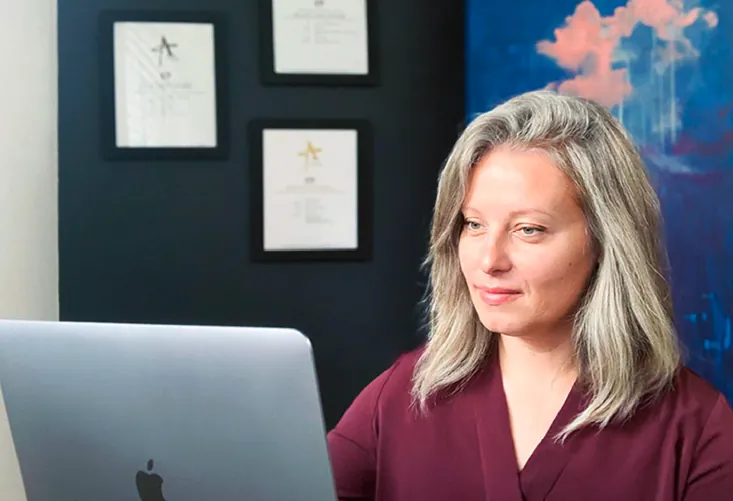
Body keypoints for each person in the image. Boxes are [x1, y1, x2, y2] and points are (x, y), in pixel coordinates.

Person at [326, 90, 733, 501]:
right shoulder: (402, 395)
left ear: (606, 242)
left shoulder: (696, 428)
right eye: (474, 224)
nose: (489, 260)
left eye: (529, 230)